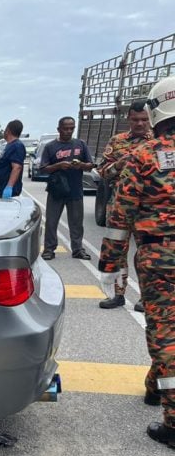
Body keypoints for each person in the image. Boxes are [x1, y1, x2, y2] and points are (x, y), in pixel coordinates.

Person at [98, 76, 175, 446]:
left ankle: (174, 419)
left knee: (165, 330)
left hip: (160, 256)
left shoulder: (145, 156)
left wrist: (109, 265)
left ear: (155, 109)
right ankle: (154, 385)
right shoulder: (136, 151)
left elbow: (120, 216)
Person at [96, 100, 153, 310]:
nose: (140, 124)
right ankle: (118, 295)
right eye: (136, 119)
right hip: (119, 206)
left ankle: (145, 297)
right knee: (117, 251)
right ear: (128, 119)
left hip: (148, 209)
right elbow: (102, 171)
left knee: (146, 253)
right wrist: (118, 165)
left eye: (144, 120)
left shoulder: (158, 142)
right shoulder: (117, 141)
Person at [39, 117, 94, 260]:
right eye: (65, 128)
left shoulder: (80, 144)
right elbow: (43, 168)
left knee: (76, 222)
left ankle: (77, 249)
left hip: (75, 190)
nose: (68, 131)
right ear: (59, 129)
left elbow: (90, 165)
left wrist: (80, 165)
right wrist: (58, 166)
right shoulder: (50, 147)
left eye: (71, 128)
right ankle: (49, 249)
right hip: (56, 190)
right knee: (51, 221)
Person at [0, 119, 26, 199]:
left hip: (4, 191)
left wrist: (9, 187)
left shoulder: (17, 146)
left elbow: (17, 167)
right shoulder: (10, 145)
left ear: (8, 131)